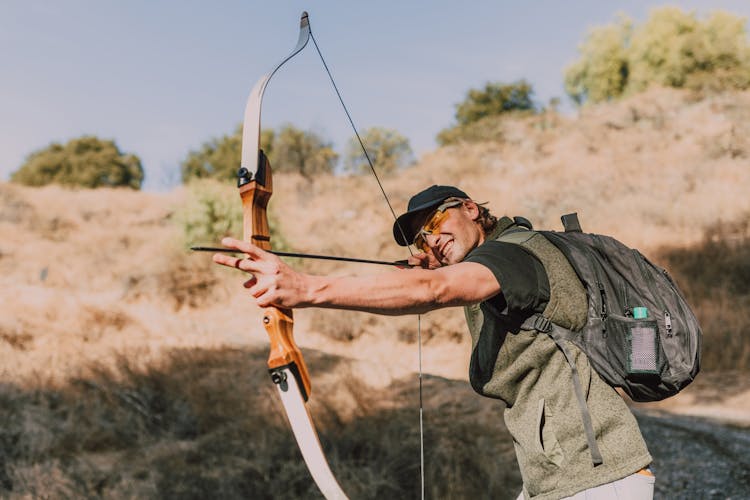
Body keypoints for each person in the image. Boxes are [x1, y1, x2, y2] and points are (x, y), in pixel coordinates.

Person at [213, 185, 655, 500]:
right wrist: (428, 273)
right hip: (557, 478)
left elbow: (434, 291)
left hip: (598, 478)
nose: (431, 239)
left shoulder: (514, 254)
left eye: (436, 222)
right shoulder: (493, 264)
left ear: (469, 208)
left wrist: (308, 289)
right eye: (421, 236)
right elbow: (427, 288)